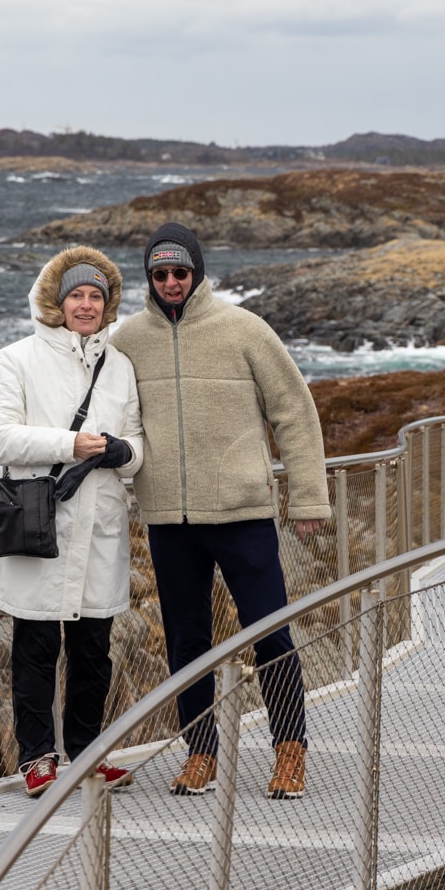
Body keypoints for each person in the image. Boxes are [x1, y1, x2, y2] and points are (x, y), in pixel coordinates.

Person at [111, 222, 329, 799]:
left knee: (270, 634)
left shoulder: (244, 329)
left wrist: (308, 496)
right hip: (170, 521)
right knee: (187, 644)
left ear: (197, 272)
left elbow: (294, 412)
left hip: (242, 514)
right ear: (149, 278)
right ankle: (200, 753)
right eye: (160, 273)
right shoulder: (127, 339)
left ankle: (290, 752)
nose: (171, 282)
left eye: (180, 271)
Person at [0, 246, 145, 798]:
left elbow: (138, 442)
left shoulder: (120, 367)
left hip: (99, 528)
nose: (86, 305)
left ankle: (89, 756)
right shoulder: (15, 358)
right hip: (40, 522)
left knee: (94, 653)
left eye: (96, 297)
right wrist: (71, 445)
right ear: (57, 302)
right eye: (77, 296)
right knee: (36, 647)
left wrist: (125, 453)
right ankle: (37, 759)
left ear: (107, 304)